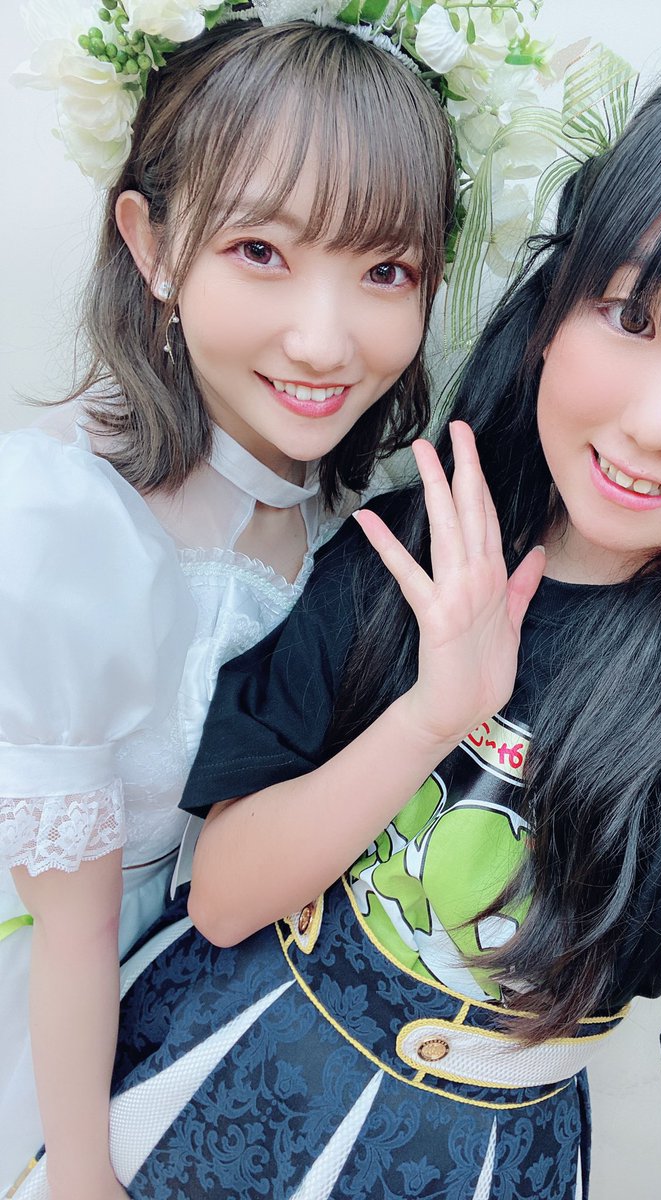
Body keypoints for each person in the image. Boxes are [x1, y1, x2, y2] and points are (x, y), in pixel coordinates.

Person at [20, 27, 661, 1200]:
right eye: (635, 316)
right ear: (557, 301)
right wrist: (432, 715)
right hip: (190, 1095)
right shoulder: (396, 550)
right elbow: (222, 896)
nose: (657, 424)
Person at [0, 3, 475, 1193]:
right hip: (49, 1028)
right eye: (262, 251)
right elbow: (69, 927)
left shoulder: (343, 524)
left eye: (384, 270)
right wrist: (81, 1178)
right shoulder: (64, 517)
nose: (323, 340)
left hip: (199, 1025)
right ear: (154, 245)